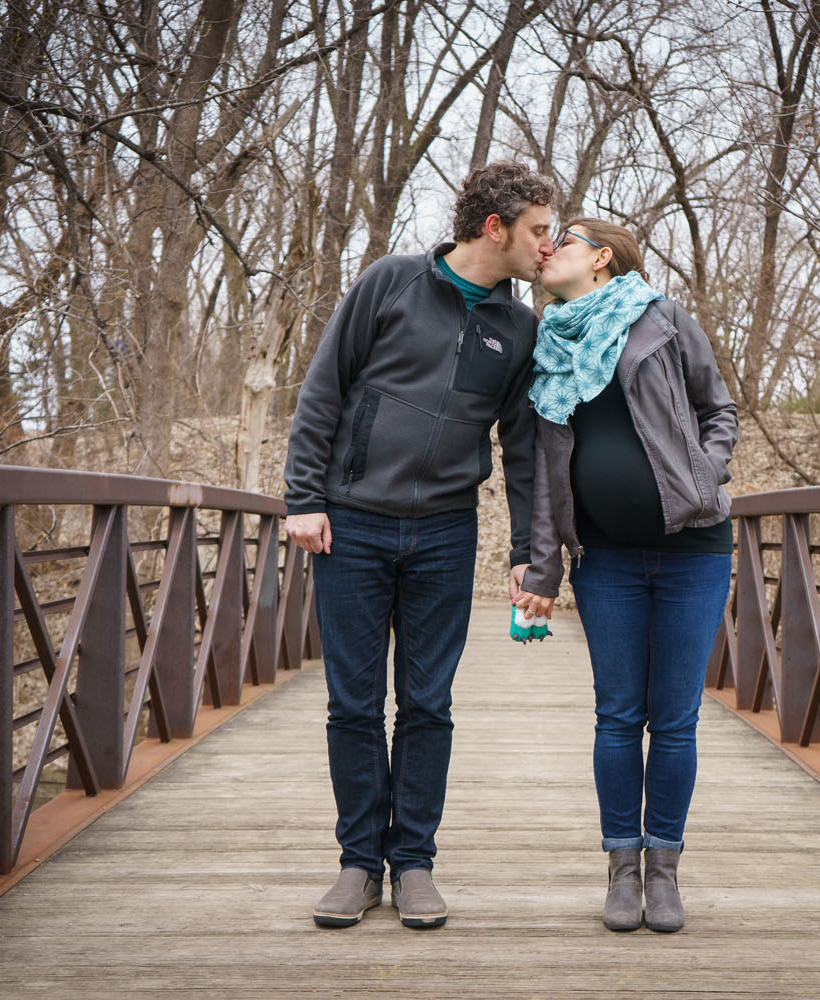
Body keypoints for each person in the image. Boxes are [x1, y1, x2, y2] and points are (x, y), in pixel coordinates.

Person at [284, 162, 555, 929]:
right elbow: (323, 390)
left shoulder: (519, 328)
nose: (548, 244)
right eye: (538, 229)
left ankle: (414, 865)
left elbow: (524, 449)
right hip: (352, 524)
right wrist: (304, 497)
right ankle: (358, 864)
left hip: (444, 531)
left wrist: (527, 553)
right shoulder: (391, 282)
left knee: (428, 705)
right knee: (354, 705)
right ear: (495, 226)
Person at [514, 218, 736, 933]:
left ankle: (664, 868)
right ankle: (621, 867)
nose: (547, 251)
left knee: (673, 720)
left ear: (602, 257)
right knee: (617, 717)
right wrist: (541, 570)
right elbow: (544, 474)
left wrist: (704, 475)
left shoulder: (664, 319)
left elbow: (717, 409)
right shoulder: (545, 344)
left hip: (693, 550)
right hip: (603, 559)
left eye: (564, 241)